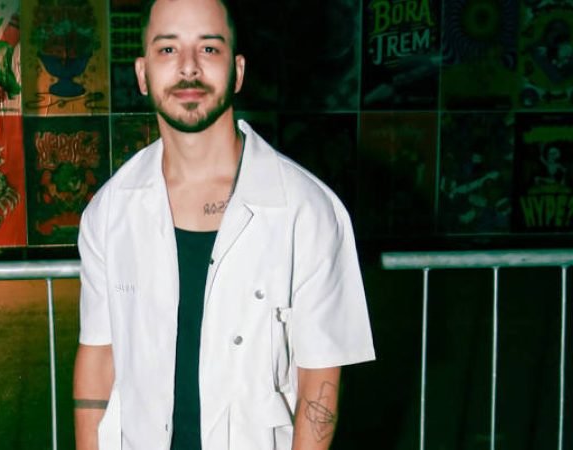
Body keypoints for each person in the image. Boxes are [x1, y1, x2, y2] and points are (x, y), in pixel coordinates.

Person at [73, 0, 375, 448]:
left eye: (209, 49)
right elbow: (98, 358)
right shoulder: (110, 212)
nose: (189, 67)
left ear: (237, 71)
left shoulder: (307, 211)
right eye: (168, 49)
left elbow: (321, 378)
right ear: (142, 73)